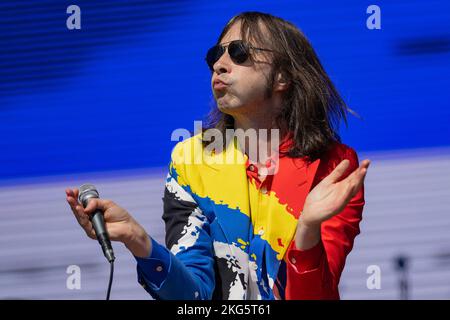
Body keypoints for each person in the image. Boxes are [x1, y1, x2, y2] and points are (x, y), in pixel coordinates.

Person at [65, 11, 370, 300]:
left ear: (282, 77)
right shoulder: (191, 159)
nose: (219, 65)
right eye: (215, 55)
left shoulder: (334, 166)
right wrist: (137, 239)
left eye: (239, 52)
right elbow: (192, 296)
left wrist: (307, 230)